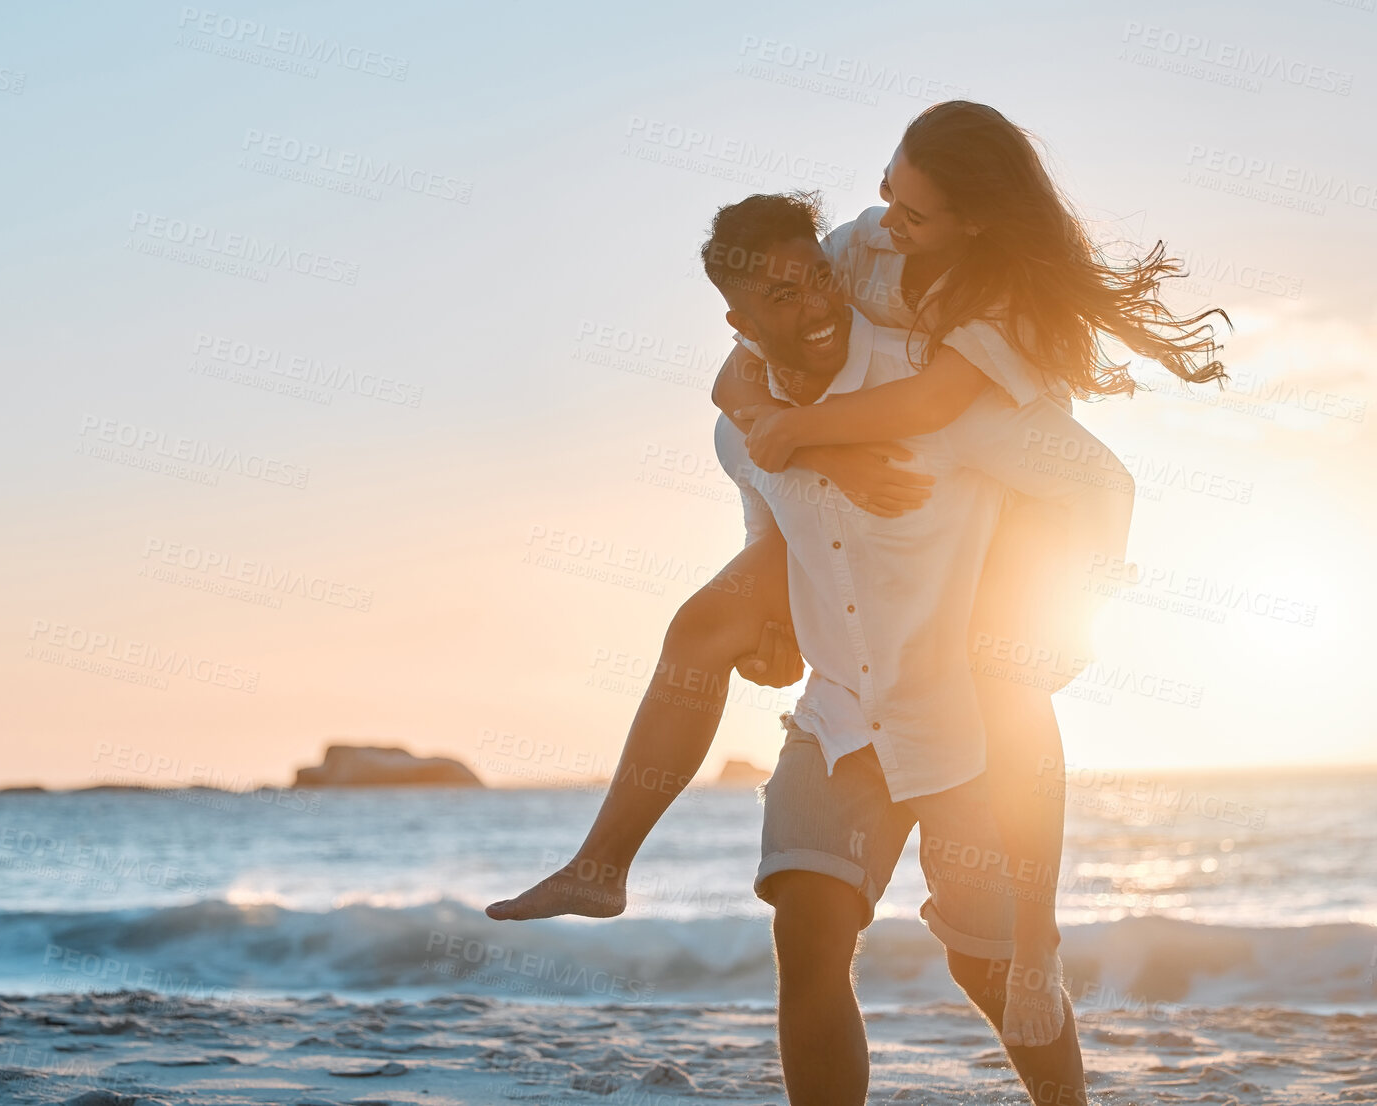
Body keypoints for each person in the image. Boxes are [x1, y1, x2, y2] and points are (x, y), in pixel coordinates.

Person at [490, 101, 1227, 1054]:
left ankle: (1036, 940)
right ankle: (600, 865)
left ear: (970, 222)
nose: (885, 215)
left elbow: (959, 419)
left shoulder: (982, 330)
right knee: (704, 636)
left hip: (1016, 528)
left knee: (1002, 699)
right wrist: (786, 588)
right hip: (846, 689)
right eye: (886, 184)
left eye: (912, 210)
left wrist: (1071, 609)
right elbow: (748, 414)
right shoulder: (850, 253)